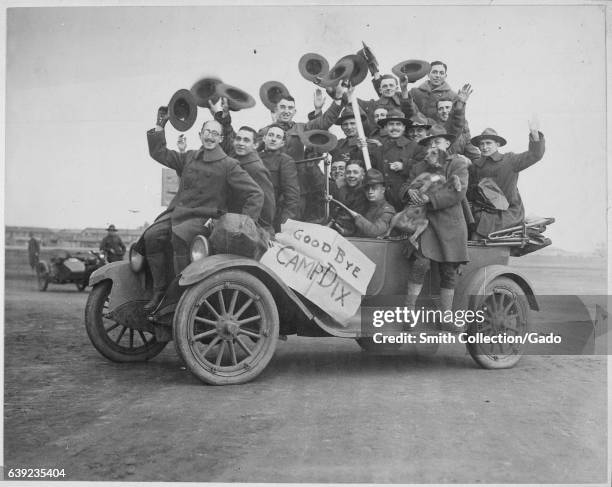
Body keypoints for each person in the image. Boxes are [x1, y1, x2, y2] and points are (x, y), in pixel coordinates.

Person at [144, 110, 263, 312]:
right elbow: (159, 153)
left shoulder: (229, 165)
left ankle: (183, 295)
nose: (210, 136)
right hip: (179, 214)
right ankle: (159, 291)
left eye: (215, 134)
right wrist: (160, 126)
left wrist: (242, 224)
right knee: (151, 236)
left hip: (206, 219)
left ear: (221, 139)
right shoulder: (189, 157)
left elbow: (256, 194)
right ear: (200, 135)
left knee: (178, 236)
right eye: (207, 132)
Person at [258, 84, 349, 221]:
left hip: (298, 190)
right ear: (275, 110)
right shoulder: (265, 132)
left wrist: (337, 100)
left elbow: (325, 121)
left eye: (290, 108)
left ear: (294, 111)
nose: (286, 111)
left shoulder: (302, 128)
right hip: (271, 188)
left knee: (293, 227)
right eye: (282, 107)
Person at [402, 133, 470, 318]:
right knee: (421, 263)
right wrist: (410, 193)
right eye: (429, 143)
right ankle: (409, 311)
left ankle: (446, 316)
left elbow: (457, 193)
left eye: (437, 142)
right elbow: (406, 186)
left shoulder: (457, 164)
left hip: (450, 223)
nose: (433, 146)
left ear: (447, 143)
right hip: (424, 223)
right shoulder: (419, 166)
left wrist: (429, 198)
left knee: (448, 271)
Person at [468, 120, 545, 239]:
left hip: (507, 214)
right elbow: (470, 194)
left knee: (479, 237)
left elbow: (535, 155)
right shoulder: (475, 167)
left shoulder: (510, 160)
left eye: (488, 143)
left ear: (497, 144)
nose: (484, 147)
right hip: (482, 214)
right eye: (481, 144)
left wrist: (534, 133)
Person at [370, 108, 424, 210]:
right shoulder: (378, 150)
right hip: (384, 203)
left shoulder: (415, 147)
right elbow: (370, 169)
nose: (394, 128)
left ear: (404, 127)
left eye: (398, 124)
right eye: (391, 124)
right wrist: (362, 148)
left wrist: (404, 166)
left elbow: (423, 169)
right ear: (385, 127)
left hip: (406, 201)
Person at [229, 126, 276, 237]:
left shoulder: (255, 168)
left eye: (246, 140)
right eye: (238, 139)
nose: (240, 143)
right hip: (231, 220)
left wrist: (253, 227)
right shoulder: (235, 159)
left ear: (255, 145)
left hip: (249, 227)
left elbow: (268, 205)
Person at [258, 124, 300, 232]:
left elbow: (292, 197)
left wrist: (283, 225)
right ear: (264, 138)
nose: (273, 139)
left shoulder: (285, 161)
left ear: (282, 143)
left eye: (278, 137)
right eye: (271, 135)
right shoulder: (254, 158)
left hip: (272, 219)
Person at [341, 169, 396, 237]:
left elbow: (375, 232)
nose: (370, 192)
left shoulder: (387, 210)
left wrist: (357, 217)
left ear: (383, 190)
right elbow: (358, 233)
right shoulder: (363, 206)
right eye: (367, 188)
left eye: (374, 188)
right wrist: (344, 231)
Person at [330, 161, 368, 236]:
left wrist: (346, 232)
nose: (351, 175)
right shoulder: (341, 190)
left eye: (355, 172)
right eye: (348, 172)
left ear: (362, 175)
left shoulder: (366, 195)